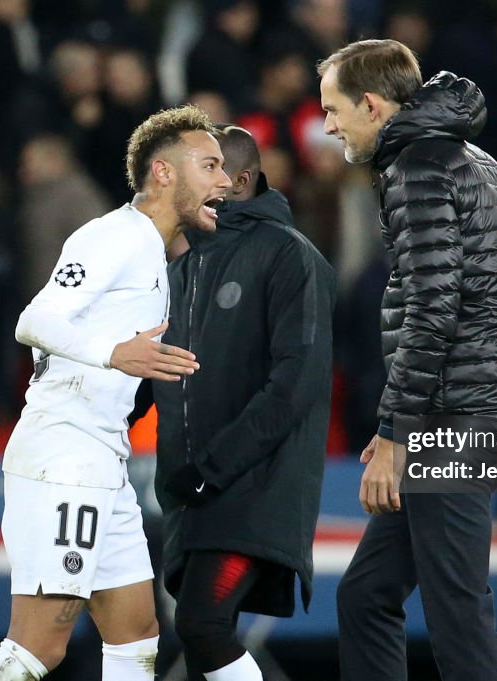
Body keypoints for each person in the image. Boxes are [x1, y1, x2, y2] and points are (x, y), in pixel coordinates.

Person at [0, 105, 230, 681]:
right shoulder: (114, 236)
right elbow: (34, 319)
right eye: (209, 165)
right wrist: (115, 353)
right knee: (37, 647)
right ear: (163, 172)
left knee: (136, 635)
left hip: (101, 460)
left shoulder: (154, 254)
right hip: (65, 456)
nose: (225, 181)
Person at [318, 39, 497, 681]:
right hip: (480, 409)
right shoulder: (478, 161)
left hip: (454, 421)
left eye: (334, 109)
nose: (328, 125)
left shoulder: (415, 167)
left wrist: (393, 433)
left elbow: (434, 307)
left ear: (372, 103)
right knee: (366, 595)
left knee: (458, 614)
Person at [149, 125, 335, 681]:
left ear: (241, 180)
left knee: (203, 623)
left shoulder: (290, 256)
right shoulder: (181, 269)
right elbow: (153, 376)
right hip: (194, 493)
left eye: (207, 170)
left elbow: (296, 383)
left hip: (254, 486)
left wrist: (214, 468)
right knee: (196, 629)